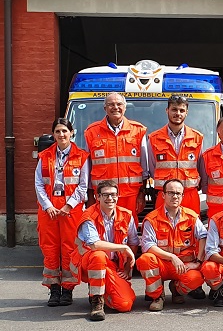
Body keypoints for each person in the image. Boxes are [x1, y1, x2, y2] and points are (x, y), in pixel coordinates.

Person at [35, 117, 89, 307]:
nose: (61, 134)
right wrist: (48, 206)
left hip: (70, 210)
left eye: (64, 131)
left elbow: (83, 186)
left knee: (69, 249)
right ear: (53, 134)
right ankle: (53, 289)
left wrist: (68, 205)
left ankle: (67, 289)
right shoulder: (44, 156)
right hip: (49, 209)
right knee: (50, 249)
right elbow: (39, 184)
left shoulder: (82, 156)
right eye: (57, 131)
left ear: (71, 133)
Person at [69, 180, 139, 321]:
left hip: (112, 265)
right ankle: (97, 301)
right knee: (98, 256)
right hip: (88, 263)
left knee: (124, 304)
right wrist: (123, 247)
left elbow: (133, 242)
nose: (110, 198)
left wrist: (126, 268)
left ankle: (104, 291)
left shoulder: (126, 215)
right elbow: (94, 245)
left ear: (118, 196)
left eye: (113, 195)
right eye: (105, 195)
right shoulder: (88, 216)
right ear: (98, 197)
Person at [136, 179, 207, 312]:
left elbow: (203, 236)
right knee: (145, 260)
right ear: (163, 195)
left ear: (182, 196)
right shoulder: (152, 218)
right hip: (162, 265)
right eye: (171, 193)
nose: (175, 196)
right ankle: (157, 297)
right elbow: (148, 246)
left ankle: (177, 290)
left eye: (178, 193)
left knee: (196, 279)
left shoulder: (191, 216)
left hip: (183, 266)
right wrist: (172, 257)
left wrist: (198, 261)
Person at [84, 92, 148, 219]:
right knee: (102, 227)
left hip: (129, 195)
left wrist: (142, 193)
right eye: (111, 104)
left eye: (119, 104)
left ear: (125, 107)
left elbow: (145, 168)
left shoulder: (138, 131)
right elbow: (87, 168)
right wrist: (90, 196)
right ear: (105, 108)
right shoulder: (91, 132)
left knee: (128, 228)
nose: (115, 107)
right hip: (103, 195)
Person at [147, 95, 204, 215]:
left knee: (191, 226)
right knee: (162, 226)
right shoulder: (154, 138)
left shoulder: (197, 138)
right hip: (165, 196)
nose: (178, 113)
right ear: (167, 110)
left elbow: (200, 168)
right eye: (174, 109)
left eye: (181, 110)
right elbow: (152, 169)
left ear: (186, 113)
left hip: (189, 196)